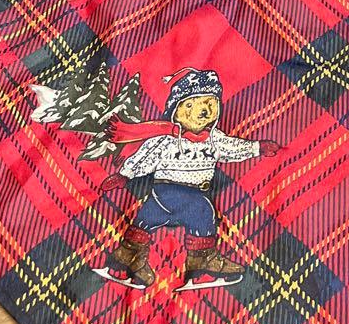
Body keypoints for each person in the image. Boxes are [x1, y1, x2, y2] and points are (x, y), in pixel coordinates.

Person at [103, 69, 279, 287]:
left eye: (210, 103)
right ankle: (133, 257)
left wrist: (257, 148)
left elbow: (233, 147)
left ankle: (193, 261)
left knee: (183, 221)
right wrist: (124, 175)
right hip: (167, 193)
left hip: (192, 195)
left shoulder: (214, 139)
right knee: (172, 217)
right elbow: (144, 157)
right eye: (191, 104)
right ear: (176, 110)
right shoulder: (166, 140)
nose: (204, 110)